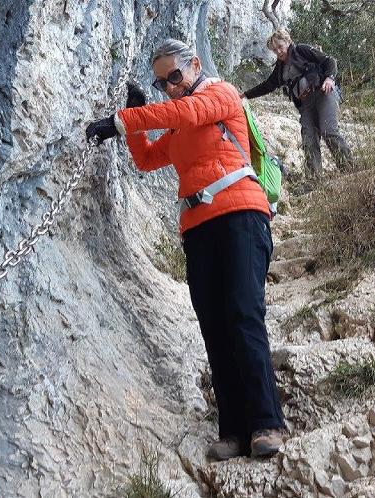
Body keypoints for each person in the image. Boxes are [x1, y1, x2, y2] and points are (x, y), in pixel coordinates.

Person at [85, 38, 287, 460]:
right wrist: (137, 121)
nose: (171, 89)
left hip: (240, 213)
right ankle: (233, 430)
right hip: (197, 227)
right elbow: (146, 160)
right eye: (161, 85)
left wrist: (126, 119)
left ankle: (267, 422)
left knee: (243, 312)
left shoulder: (219, 93)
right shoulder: (177, 126)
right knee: (213, 323)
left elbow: (188, 110)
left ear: (194, 65)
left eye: (175, 77)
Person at [243, 28, 355, 181]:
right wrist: (245, 95)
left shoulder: (302, 50)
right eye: (275, 50)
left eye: (280, 47)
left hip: (324, 93)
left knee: (328, 131)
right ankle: (314, 181)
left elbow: (330, 61)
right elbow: (267, 85)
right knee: (309, 139)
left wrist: (329, 78)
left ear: (288, 41)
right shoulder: (280, 68)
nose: (279, 52)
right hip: (306, 104)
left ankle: (350, 170)